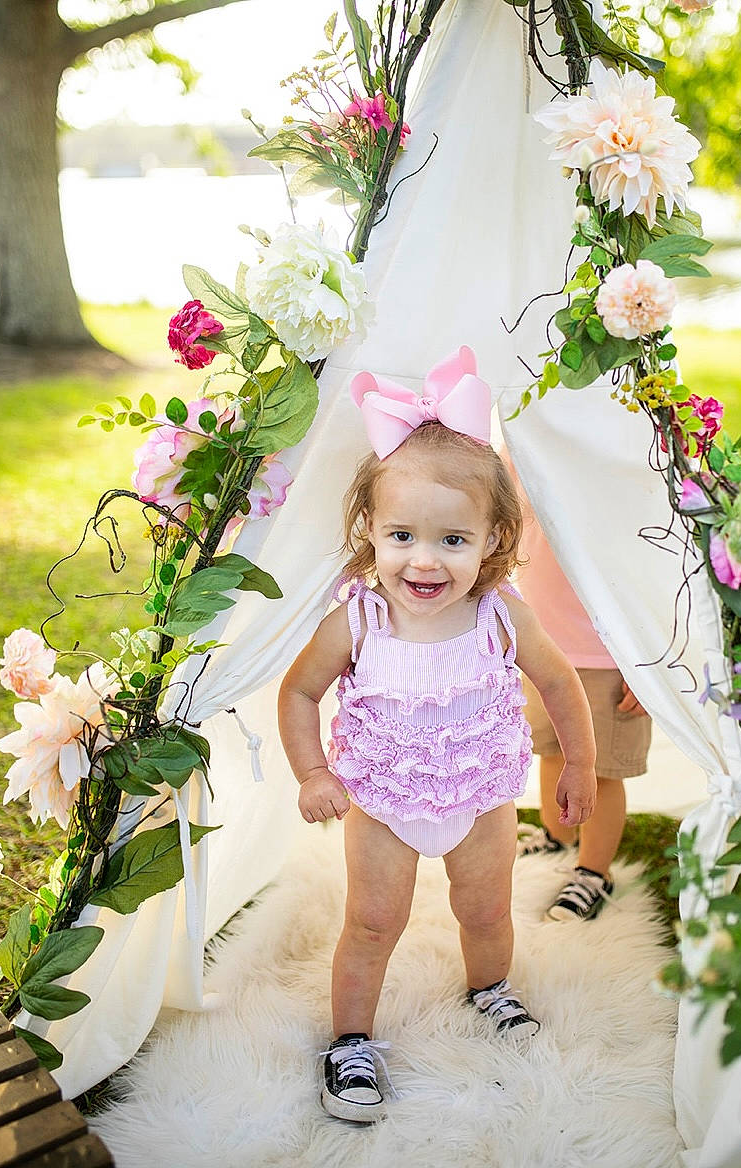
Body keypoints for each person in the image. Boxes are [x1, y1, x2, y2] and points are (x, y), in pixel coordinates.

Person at [278, 347, 597, 1123]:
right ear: (372, 532)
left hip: (481, 793)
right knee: (372, 921)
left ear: (492, 539)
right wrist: (313, 773)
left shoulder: (500, 615)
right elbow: (299, 692)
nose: (425, 560)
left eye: (453, 540)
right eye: (403, 537)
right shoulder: (357, 618)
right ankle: (350, 1041)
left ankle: (490, 988)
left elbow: (560, 681)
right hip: (382, 799)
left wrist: (580, 764)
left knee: (485, 910)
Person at [512, 480, 652, 924]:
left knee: (601, 770)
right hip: (543, 643)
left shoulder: (616, 453)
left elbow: (657, 568)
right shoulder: (522, 439)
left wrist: (648, 663)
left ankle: (594, 870)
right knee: (553, 750)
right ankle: (558, 835)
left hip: (608, 655)